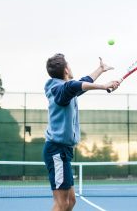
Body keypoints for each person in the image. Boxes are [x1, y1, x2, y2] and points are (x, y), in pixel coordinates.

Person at [43, 54, 119, 211]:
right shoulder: (59, 90)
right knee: (61, 203)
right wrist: (104, 86)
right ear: (66, 69)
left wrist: (100, 70)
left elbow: (81, 82)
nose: (71, 68)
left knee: (71, 201)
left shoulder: (65, 90)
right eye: (69, 65)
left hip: (64, 151)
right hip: (56, 151)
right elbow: (73, 86)